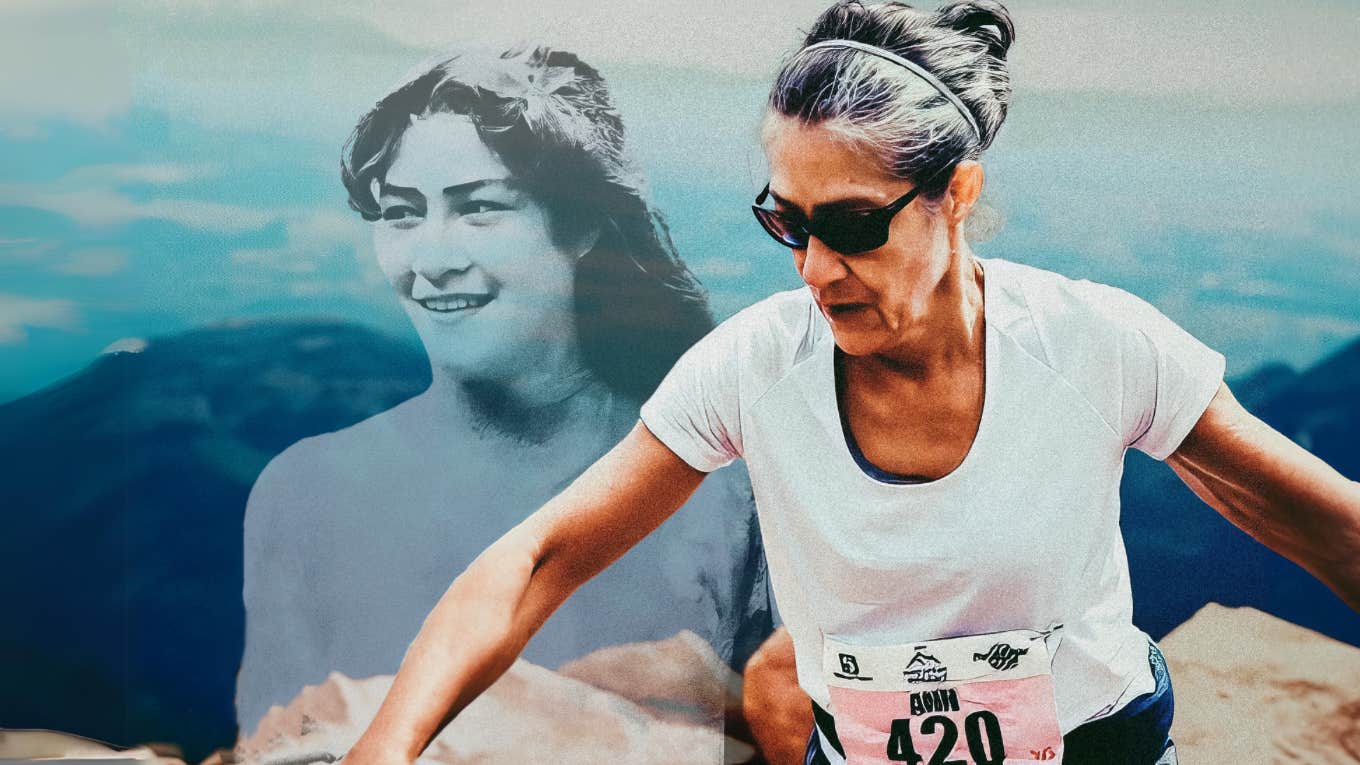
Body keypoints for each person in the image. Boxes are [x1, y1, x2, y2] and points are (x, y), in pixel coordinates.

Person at [339, 3, 1360, 764]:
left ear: (955, 195)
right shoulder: (754, 367)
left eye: (854, 225)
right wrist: (383, 749)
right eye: (785, 220)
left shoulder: (1095, 345)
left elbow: (1323, 524)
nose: (814, 266)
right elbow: (539, 560)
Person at [233, 44, 774, 747]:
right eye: (400, 214)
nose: (432, 260)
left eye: (479, 209)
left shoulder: (733, 492)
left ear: (580, 223)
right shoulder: (304, 492)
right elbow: (278, 743)